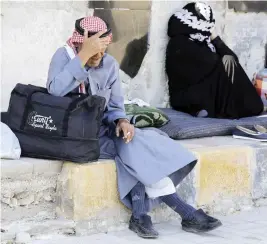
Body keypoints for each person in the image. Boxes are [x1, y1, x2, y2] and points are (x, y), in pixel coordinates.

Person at [47, 16, 222, 239]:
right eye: (93, 49)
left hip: (100, 131)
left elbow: (115, 106)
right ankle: (179, 211)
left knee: (131, 141)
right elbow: (54, 90)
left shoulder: (108, 64)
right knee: (133, 151)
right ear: (79, 42)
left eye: (102, 49)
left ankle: (141, 215)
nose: (98, 56)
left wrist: (122, 121)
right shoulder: (65, 56)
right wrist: (82, 57)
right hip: (72, 136)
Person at [166, 2, 264, 119]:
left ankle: (251, 106)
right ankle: (250, 106)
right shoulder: (180, 43)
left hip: (203, 91)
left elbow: (232, 60)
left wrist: (215, 39)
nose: (208, 30)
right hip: (185, 98)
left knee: (228, 64)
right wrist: (216, 41)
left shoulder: (200, 40)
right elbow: (214, 62)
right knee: (224, 66)